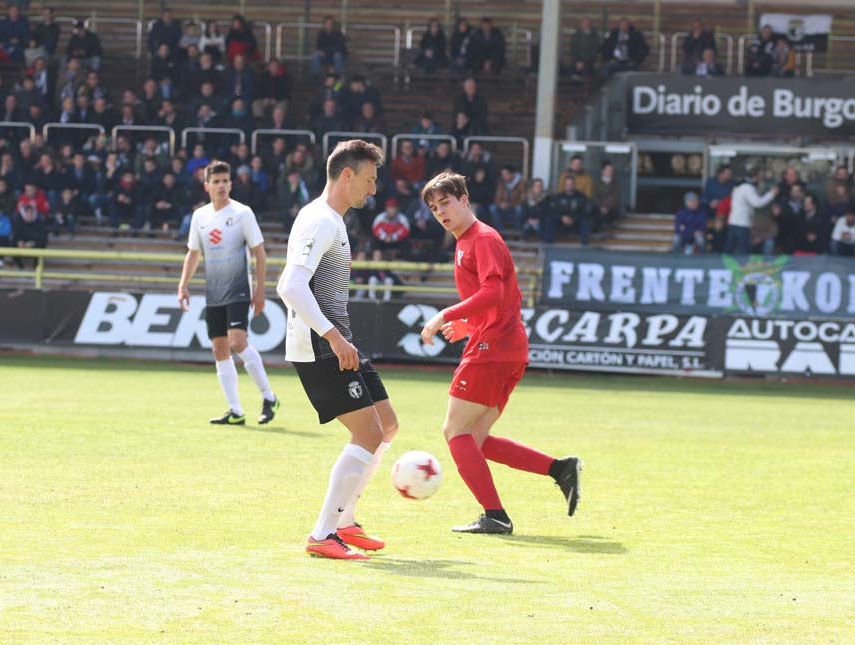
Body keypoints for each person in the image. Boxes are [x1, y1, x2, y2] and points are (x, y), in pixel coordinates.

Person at [418, 172, 581, 535]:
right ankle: (560, 469)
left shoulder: (482, 239)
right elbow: (497, 299)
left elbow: (493, 293)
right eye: (433, 208)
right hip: (504, 347)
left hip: (493, 349)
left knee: (454, 431)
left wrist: (447, 314)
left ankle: (495, 516)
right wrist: (469, 325)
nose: (440, 212)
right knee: (475, 440)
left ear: (465, 199)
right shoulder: (466, 242)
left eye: (445, 203)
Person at [276, 139, 398, 560]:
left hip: (337, 342)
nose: (373, 190)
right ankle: (323, 533)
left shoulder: (331, 220)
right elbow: (289, 286)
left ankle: (345, 521)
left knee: (386, 425)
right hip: (320, 346)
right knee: (368, 433)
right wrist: (333, 336)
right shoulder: (321, 221)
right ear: (347, 175)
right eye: (369, 180)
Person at [177, 161, 280, 427]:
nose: (222, 185)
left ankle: (269, 397)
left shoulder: (243, 213)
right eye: (217, 181)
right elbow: (193, 253)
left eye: (226, 180)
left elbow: (259, 253)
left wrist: (260, 290)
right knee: (219, 348)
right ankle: (235, 410)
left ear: (231, 184)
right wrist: (183, 284)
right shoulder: (200, 216)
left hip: (238, 289)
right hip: (214, 291)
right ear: (207, 185)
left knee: (237, 341)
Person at [727, 167, 777, 255]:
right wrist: (771, 194)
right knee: (744, 251)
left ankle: (722, 268)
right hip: (742, 223)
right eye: (760, 178)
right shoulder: (747, 187)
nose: (760, 181)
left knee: (729, 249)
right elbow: (757, 203)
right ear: (756, 177)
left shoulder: (739, 186)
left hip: (733, 221)